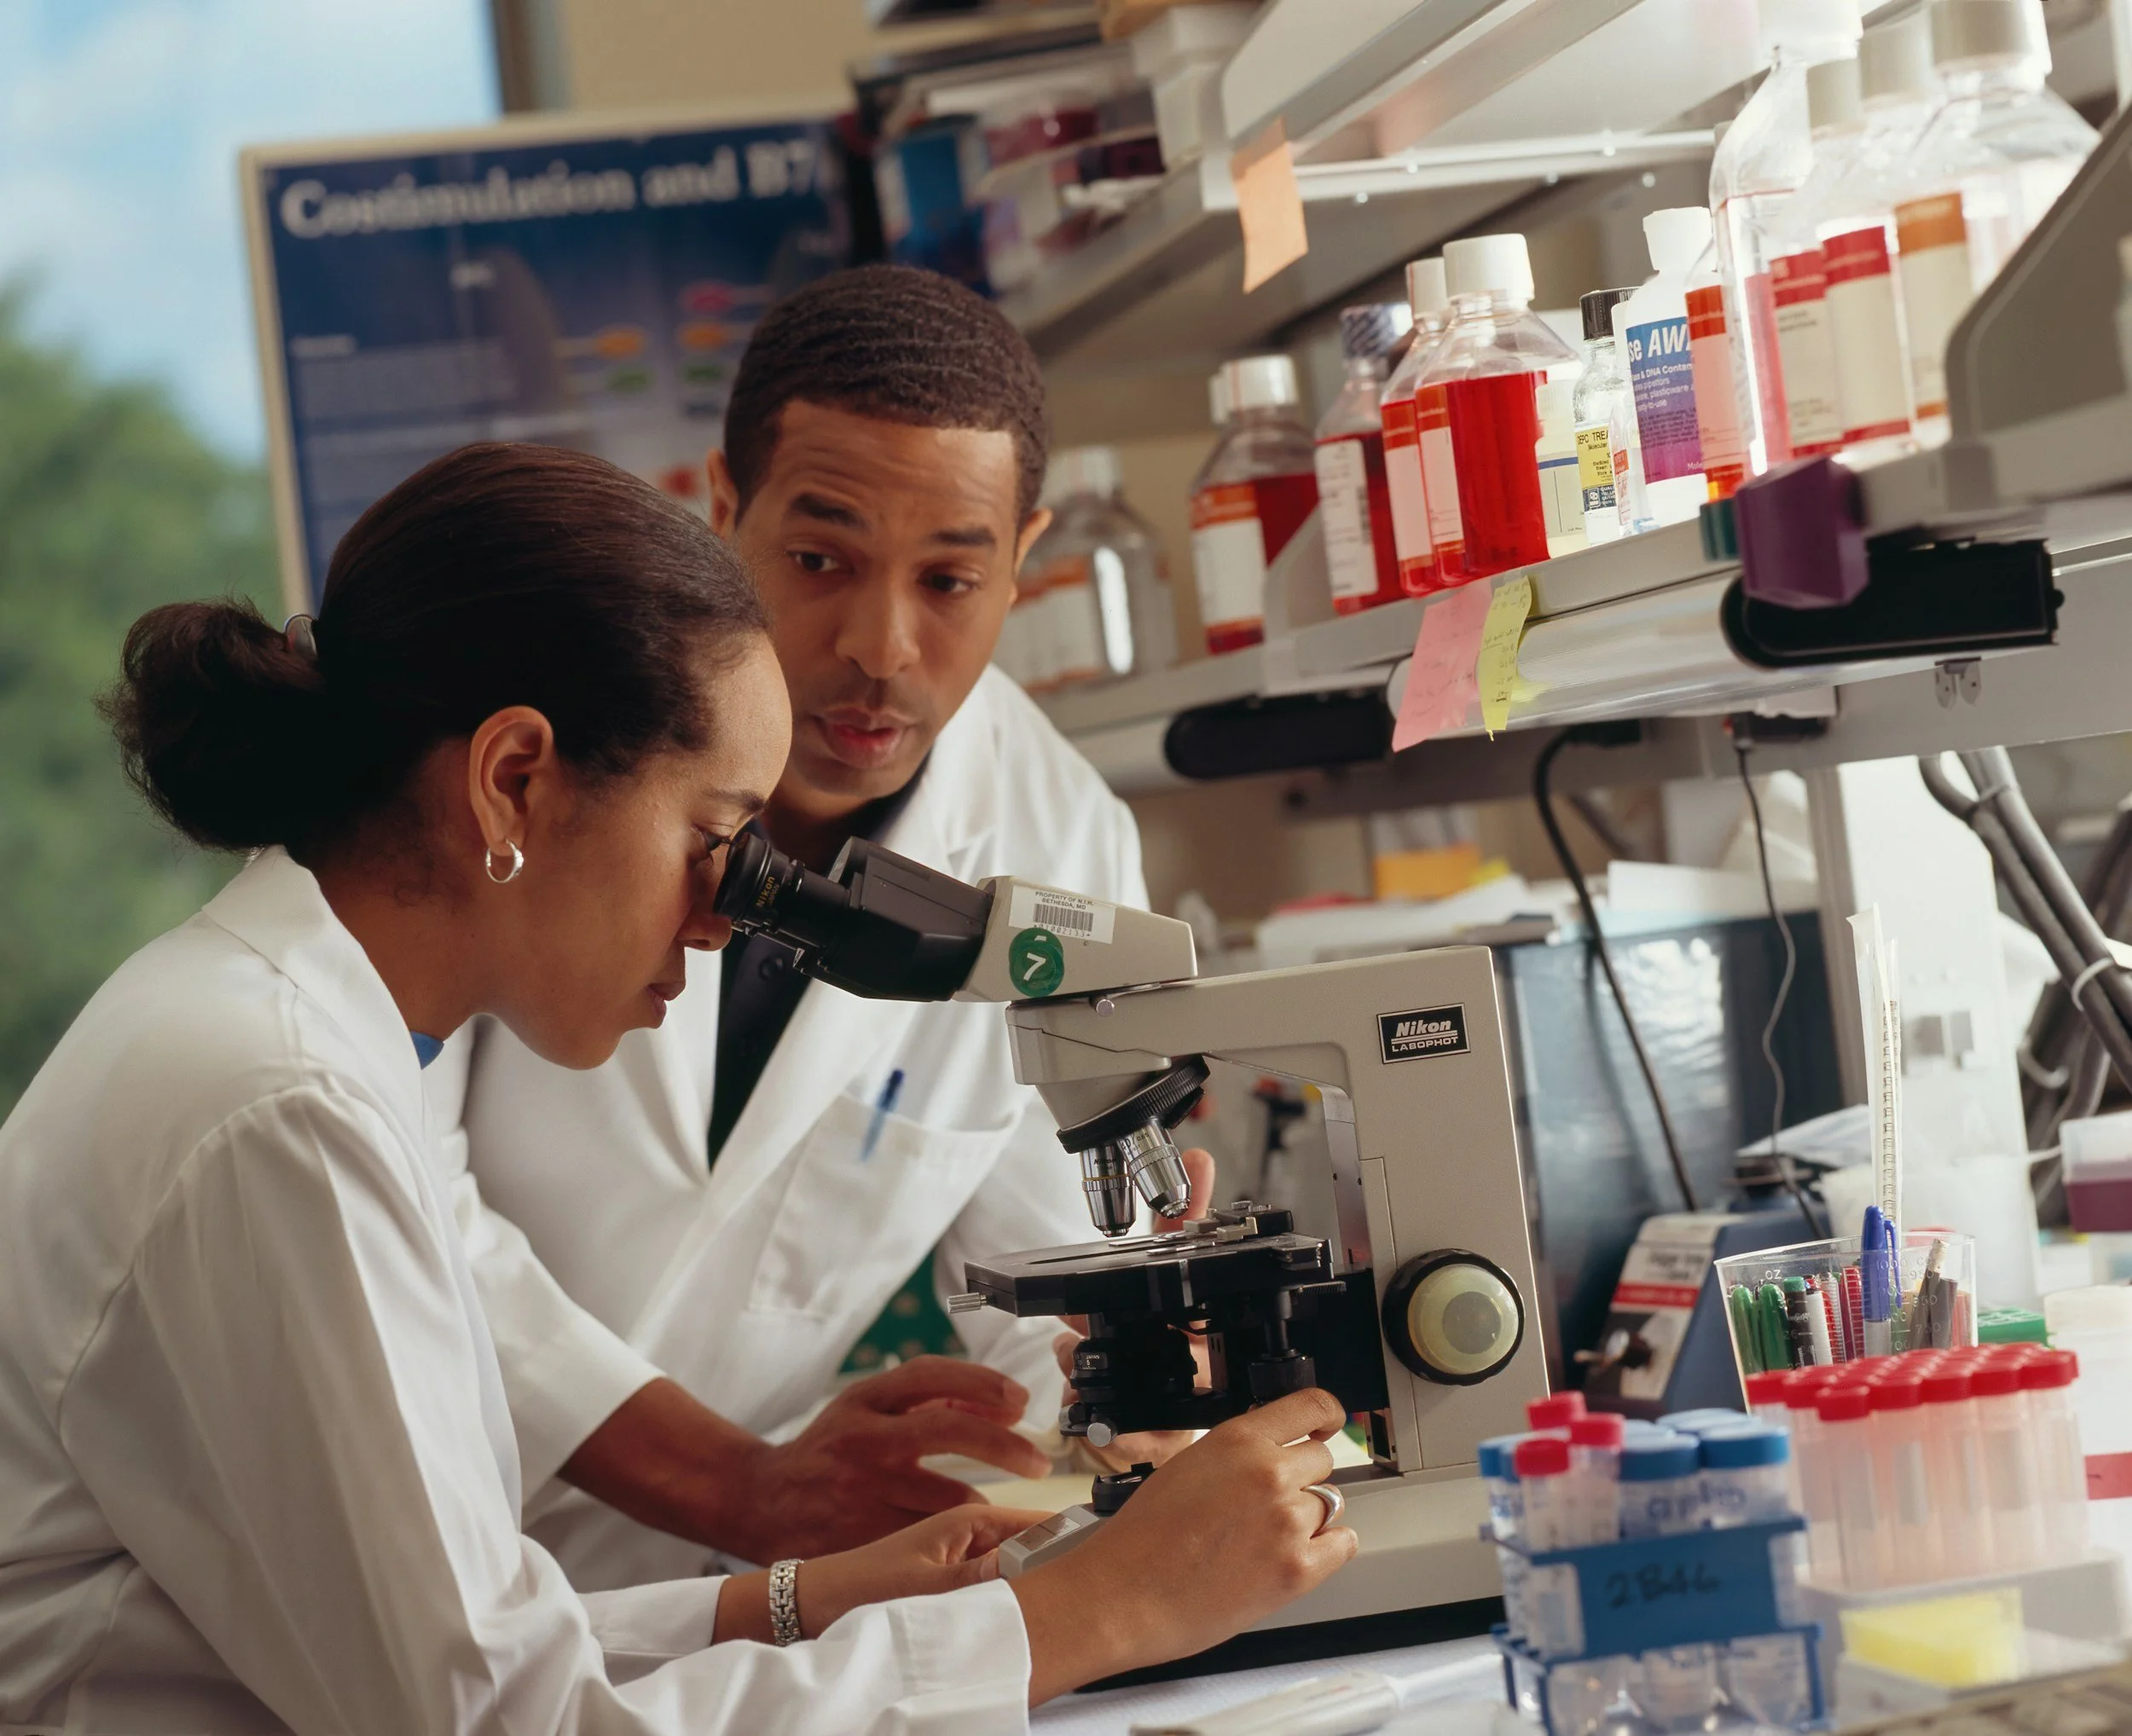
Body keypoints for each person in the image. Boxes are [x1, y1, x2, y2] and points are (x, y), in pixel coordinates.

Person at [0, 443, 1356, 1732]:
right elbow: (501, 1724)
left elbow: (465, 1652)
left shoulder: (287, 1034)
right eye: (714, 839)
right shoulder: (279, 1110)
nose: (726, 923)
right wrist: (1102, 1612)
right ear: (514, 781)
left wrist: (803, 1600)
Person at [426, 265, 1173, 1591]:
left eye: (952, 580)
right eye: (820, 561)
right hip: (404, 1513)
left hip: (703, 1591)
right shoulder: (524, 747)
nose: (881, 648)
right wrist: (733, 1480)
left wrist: (1108, 1402)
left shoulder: (1061, 847)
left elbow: (1046, 1284)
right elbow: (392, 1190)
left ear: (1026, 561)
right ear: (722, 508)